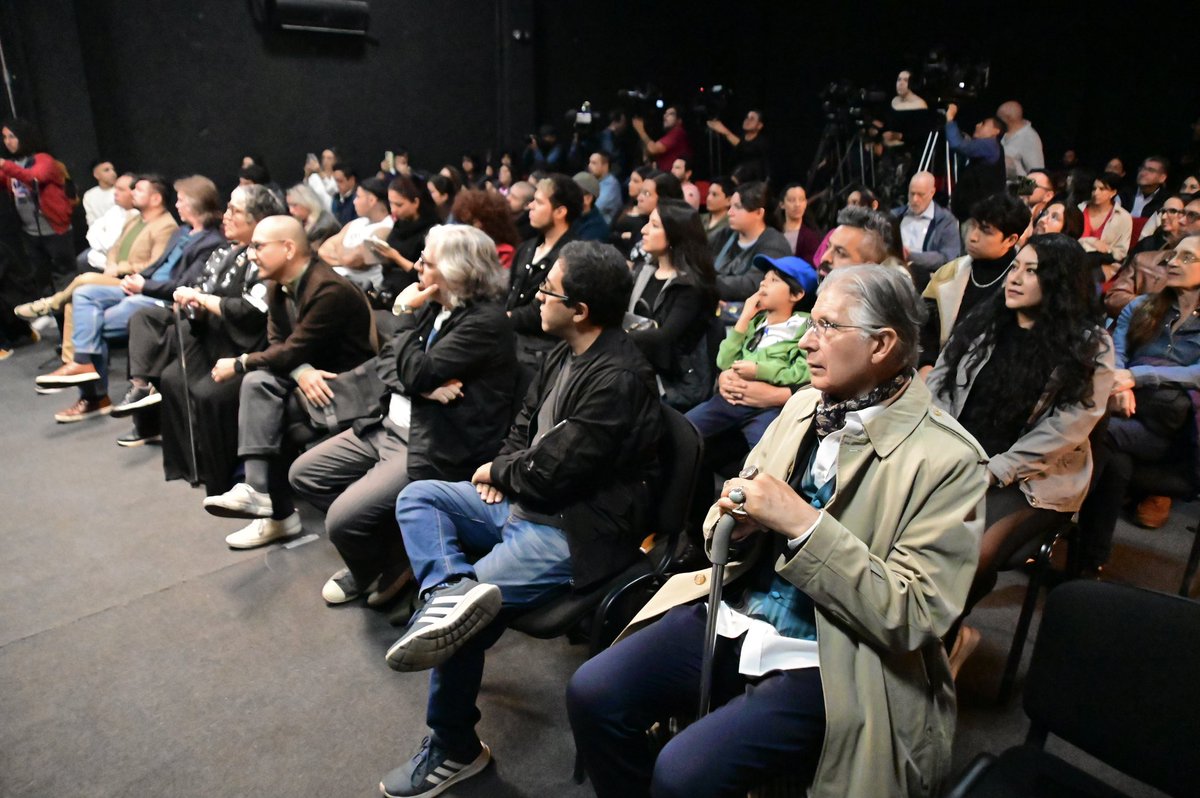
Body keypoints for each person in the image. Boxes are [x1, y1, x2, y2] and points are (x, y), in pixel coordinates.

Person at [568, 264, 988, 798]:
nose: (808, 343)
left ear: (882, 344)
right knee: (593, 692)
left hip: (836, 653)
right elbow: (728, 509)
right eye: (812, 322)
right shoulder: (804, 405)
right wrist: (735, 524)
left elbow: (914, 614)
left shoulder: (949, 459)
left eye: (828, 327)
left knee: (682, 774)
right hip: (739, 610)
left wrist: (802, 524)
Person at [380, 241, 663, 798]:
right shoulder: (566, 348)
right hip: (526, 501)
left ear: (579, 309)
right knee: (421, 499)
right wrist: (501, 469)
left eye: (549, 290)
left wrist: (501, 469)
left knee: (464, 624)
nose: (536, 295)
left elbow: (558, 472)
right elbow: (525, 423)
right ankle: (446, 590)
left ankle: (454, 747)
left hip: (573, 529)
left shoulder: (618, 378)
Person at [289, 225, 516, 605]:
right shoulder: (436, 303)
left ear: (457, 271)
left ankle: (377, 565)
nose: (418, 268)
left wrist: (403, 319)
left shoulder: (484, 323)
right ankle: (393, 554)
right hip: (387, 423)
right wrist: (420, 382)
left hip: (429, 440)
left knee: (341, 521)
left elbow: (410, 368)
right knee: (304, 475)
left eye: (427, 262)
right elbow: (389, 365)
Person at [927, 234, 1113, 673]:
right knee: (896, 524)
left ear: (1059, 283)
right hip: (961, 456)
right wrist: (937, 443)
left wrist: (996, 470)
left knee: (971, 554)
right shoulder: (987, 321)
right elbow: (941, 384)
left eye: (1032, 271)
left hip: (1033, 478)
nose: (1016, 278)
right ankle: (919, 637)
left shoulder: (1091, 344)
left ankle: (937, 646)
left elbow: (1070, 426)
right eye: (1016, 268)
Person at [201, 215, 375, 548]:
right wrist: (300, 370)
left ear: (289, 248)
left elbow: (293, 348)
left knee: (262, 400)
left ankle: (275, 512)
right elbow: (279, 344)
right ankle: (264, 500)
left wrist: (240, 363)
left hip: (347, 389)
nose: (251, 254)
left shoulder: (328, 289)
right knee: (259, 390)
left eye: (258, 246)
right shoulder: (277, 285)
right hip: (312, 383)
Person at [35, 176, 225, 424]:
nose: (176, 205)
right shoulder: (182, 232)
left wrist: (145, 285)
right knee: (84, 293)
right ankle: (83, 364)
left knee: (92, 325)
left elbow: (185, 285)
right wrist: (137, 279)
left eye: (181, 201)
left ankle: (95, 396)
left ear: (196, 204)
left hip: (162, 298)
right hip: (143, 288)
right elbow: (157, 265)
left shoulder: (211, 241)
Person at [133, 185, 286, 487]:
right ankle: (194, 465)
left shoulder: (263, 257)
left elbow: (252, 312)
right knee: (173, 379)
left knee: (208, 393)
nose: (225, 217)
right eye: (227, 209)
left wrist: (202, 301)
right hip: (213, 336)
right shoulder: (222, 252)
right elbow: (204, 295)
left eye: (235, 211)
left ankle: (228, 478)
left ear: (258, 219)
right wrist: (195, 305)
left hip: (248, 343)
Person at [1079, 234, 1200, 561]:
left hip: (1175, 433)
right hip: (1126, 415)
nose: (1173, 262)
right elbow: (1116, 354)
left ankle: (1047, 519)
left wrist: (1137, 377)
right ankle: (1088, 562)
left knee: (1097, 431)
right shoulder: (1141, 306)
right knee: (1114, 461)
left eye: (1188, 257)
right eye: (1173, 255)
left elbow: (1197, 374)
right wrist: (1121, 385)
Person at [27, 173, 179, 366]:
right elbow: (115, 247)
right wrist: (111, 265)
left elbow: (155, 265)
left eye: (138, 190)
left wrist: (119, 268)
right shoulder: (134, 219)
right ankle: (72, 363)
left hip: (133, 282)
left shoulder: (166, 226)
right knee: (75, 300)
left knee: (85, 280)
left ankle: (50, 304)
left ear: (156, 198)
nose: (132, 193)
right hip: (116, 275)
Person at [686, 254, 816, 447]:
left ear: (796, 294)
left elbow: (801, 372)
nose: (763, 284)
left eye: (774, 280)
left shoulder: (805, 326)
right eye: (764, 278)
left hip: (770, 408)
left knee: (764, 453)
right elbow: (724, 361)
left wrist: (759, 370)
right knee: (683, 429)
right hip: (732, 399)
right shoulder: (755, 322)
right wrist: (744, 317)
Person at [920, 192, 1031, 370]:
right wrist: (926, 364)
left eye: (985, 231)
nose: (973, 236)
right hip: (937, 373)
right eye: (973, 226)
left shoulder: (1022, 285)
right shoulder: (949, 273)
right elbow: (926, 325)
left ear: (1010, 240)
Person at [627, 198, 718, 410]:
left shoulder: (691, 286)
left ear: (674, 235)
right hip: (638, 368)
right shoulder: (643, 271)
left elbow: (664, 337)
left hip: (674, 382)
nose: (644, 230)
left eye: (654, 225)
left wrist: (615, 337)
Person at [506, 173, 582, 368]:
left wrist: (502, 319)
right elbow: (509, 294)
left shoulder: (572, 255)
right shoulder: (527, 247)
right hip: (511, 340)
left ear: (560, 212)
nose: (530, 206)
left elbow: (545, 311)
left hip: (543, 351)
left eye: (538, 203)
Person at [0, 118, 76, 297]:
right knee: (42, 278)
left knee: (65, 278)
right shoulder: (12, 166)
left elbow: (34, 177)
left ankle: (71, 317)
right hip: (30, 232)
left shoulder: (43, 159)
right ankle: (53, 317)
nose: (7, 142)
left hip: (55, 230)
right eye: (4, 137)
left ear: (23, 137)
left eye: (12, 136)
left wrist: (4, 165)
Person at [1104, 195, 1189, 319]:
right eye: (1163, 212)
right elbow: (1115, 297)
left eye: (1173, 211)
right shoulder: (1147, 245)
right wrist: (1151, 306)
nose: (1164, 217)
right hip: (1137, 321)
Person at [711, 181, 792, 302]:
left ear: (759, 213)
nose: (730, 213)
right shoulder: (724, 235)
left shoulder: (775, 245)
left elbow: (753, 284)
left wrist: (706, 283)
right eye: (730, 206)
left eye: (737, 207)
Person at [317, 176, 394, 290]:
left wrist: (339, 249)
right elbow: (323, 251)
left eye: (358, 197)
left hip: (364, 289)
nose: (354, 201)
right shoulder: (356, 223)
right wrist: (346, 256)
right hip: (338, 281)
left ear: (372, 200)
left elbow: (354, 259)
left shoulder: (386, 227)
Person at [892, 171, 962, 290]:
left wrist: (910, 256)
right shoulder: (895, 215)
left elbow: (948, 257)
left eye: (920, 194)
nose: (914, 199)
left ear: (932, 193)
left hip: (925, 279)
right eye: (912, 193)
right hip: (893, 272)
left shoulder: (945, 221)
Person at [944, 103, 1007, 221]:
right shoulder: (994, 143)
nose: (977, 125)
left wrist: (950, 119)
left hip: (982, 209)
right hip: (974, 207)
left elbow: (1034, 168)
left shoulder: (991, 145)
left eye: (983, 123)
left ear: (996, 131)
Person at [1079, 171, 1133, 279]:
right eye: (1094, 189)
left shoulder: (1123, 217)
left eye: (1102, 189)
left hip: (1105, 264)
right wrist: (1091, 241)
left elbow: (1121, 252)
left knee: (1086, 278)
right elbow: (1066, 238)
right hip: (1074, 256)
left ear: (1113, 193)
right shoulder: (1079, 209)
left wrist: (1107, 249)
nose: (1096, 193)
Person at [449, 187, 521, 267]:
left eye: (471, 223)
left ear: (488, 222)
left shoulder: (505, 253)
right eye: (463, 223)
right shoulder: (460, 248)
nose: (466, 228)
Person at [706, 109, 770, 182]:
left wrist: (726, 132)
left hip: (753, 184)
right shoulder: (739, 136)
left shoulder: (762, 142)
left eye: (752, 119)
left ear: (759, 126)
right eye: (746, 117)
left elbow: (747, 149)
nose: (747, 120)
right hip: (734, 178)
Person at [633, 106, 692, 173]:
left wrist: (641, 130)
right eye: (665, 114)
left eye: (671, 114)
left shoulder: (677, 132)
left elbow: (653, 149)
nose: (665, 116)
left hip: (671, 178)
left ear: (679, 121)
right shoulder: (670, 134)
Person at [997, 100, 1045, 179]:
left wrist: (1024, 191)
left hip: (1016, 189)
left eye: (999, 118)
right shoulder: (1002, 134)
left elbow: (1036, 172)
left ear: (1008, 118)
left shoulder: (1029, 138)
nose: (996, 122)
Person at [777, 183, 823, 266]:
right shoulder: (774, 232)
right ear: (782, 204)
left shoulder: (811, 237)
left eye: (801, 199)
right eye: (791, 200)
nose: (797, 204)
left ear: (805, 203)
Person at [285, 182, 340, 249]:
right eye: (289, 206)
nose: (291, 210)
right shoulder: (303, 223)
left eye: (294, 205)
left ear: (306, 202)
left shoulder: (323, 226)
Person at [570, 172, 611, 242]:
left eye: (572, 192)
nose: (568, 196)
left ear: (588, 199)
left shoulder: (596, 229)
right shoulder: (571, 213)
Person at [587, 150, 622, 225]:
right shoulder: (594, 180)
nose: (589, 166)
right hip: (592, 221)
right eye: (589, 162)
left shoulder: (612, 185)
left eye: (594, 163)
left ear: (605, 165)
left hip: (603, 226)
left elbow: (596, 207)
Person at [82, 159, 117, 226]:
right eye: (106, 170)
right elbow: (91, 220)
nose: (113, 173)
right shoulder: (89, 195)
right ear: (96, 175)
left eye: (113, 169)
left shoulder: (121, 190)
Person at [702, 176, 734, 243]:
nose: (708, 198)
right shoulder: (700, 218)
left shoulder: (731, 224)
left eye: (714, 195)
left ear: (728, 200)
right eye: (708, 193)